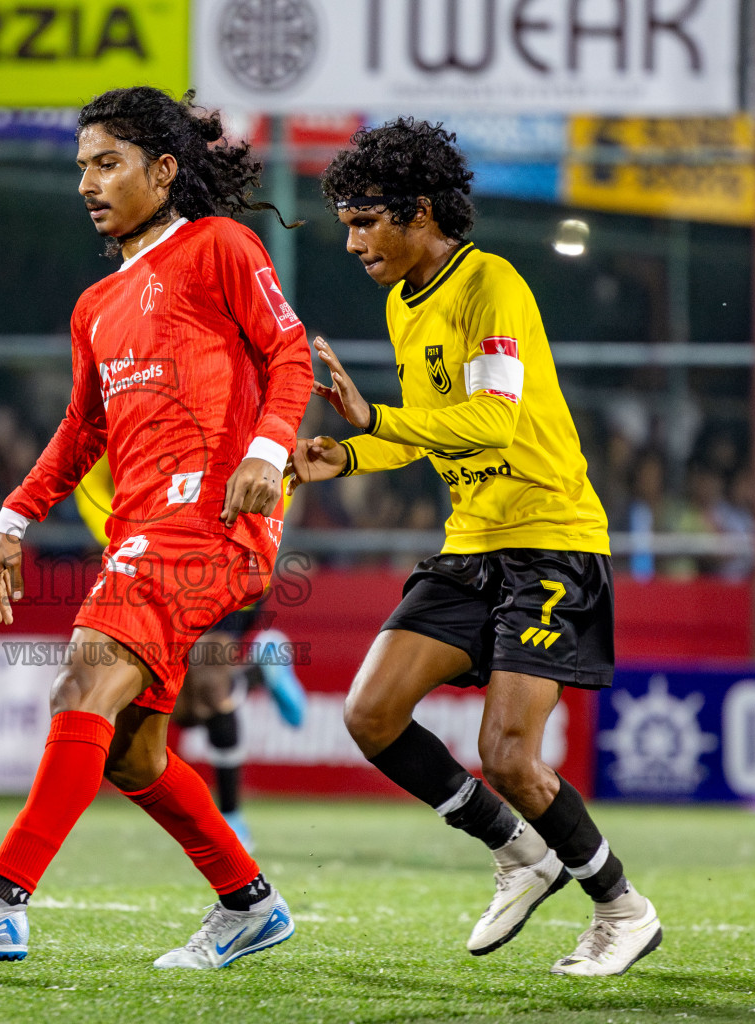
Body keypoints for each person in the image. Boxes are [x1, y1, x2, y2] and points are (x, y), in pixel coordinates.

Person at [0, 86, 313, 969]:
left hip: (208, 520)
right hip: (140, 529)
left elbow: (289, 352)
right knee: (135, 755)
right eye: (81, 166)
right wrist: (14, 517)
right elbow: (82, 432)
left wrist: (268, 449)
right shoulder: (95, 305)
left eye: (107, 163)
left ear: (164, 170)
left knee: (81, 687)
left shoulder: (221, 246)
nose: (88, 183)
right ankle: (248, 902)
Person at [288, 119, 661, 977]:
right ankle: (519, 855)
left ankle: (622, 909)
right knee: (370, 714)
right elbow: (430, 435)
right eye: (345, 222)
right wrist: (341, 454)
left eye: (363, 221)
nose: (351, 242)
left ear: (419, 211)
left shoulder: (491, 283)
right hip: (470, 546)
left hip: (550, 542)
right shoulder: (401, 302)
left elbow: (491, 418)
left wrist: (373, 419)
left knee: (507, 754)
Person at [73, 454, 309, 851]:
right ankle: (258, 669)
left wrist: (266, 525)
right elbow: (89, 483)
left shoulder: (227, 404)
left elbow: (280, 465)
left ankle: (232, 817)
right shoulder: (121, 405)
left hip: (229, 554)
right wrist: (119, 533)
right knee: (187, 710)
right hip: (156, 560)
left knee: (212, 688)